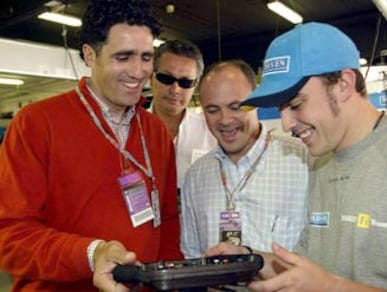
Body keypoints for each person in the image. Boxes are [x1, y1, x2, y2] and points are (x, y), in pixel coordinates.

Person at [205, 22, 387, 291]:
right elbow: (307, 269)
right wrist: (251, 261)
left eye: (296, 105)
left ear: (343, 84)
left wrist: (331, 287)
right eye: (281, 108)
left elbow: (323, 283)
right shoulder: (320, 162)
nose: (287, 123)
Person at [0, 0, 183, 291]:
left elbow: (169, 219)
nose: (138, 72)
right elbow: (10, 235)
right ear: (89, 54)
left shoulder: (156, 130)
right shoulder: (36, 123)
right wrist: (91, 254)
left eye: (146, 57)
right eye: (123, 57)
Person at [180, 60, 309, 260]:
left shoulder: (303, 162)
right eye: (212, 110)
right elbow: (192, 253)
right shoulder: (196, 177)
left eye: (236, 107)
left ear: (256, 102)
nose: (225, 120)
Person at [149, 39, 216, 190]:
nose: (175, 89)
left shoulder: (212, 131)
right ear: (150, 77)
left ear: (196, 84)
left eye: (185, 82)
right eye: (166, 79)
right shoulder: (128, 131)